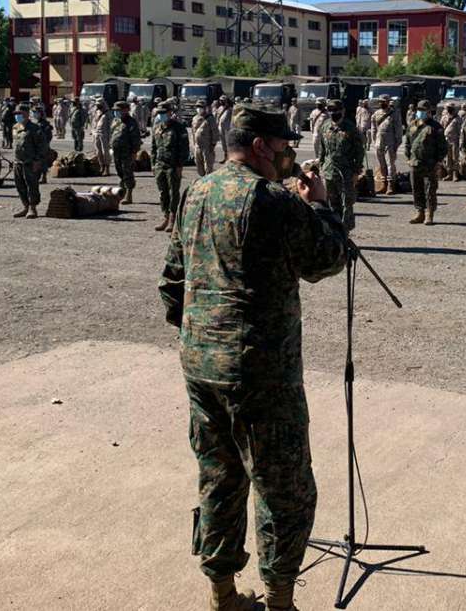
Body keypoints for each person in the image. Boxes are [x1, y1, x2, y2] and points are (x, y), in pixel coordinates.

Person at [159, 105, 346, 611]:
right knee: (283, 487)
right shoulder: (270, 200)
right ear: (261, 146)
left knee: (219, 478)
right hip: (259, 371)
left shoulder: (196, 190)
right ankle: (280, 600)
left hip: (201, 365)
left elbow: (172, 281)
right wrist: (323, 206)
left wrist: (203, 335)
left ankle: (221, 592)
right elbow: (327, 259)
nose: (290, 157)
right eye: (285, 148)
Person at [315, 98, 364, 232]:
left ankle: (345, 233)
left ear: (343, 111)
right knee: (331, 204)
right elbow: (322, 149)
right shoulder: (325, 126)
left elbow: (359, 152)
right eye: (330, 110)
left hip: (345, 173)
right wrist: (321, 166)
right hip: (329, 171)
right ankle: (335, 232)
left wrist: (356, 172)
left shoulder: (351, 128)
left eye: (336, 110)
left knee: (347, 204)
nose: (333, 113)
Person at [403, 99, 446, 225]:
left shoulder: (436, 127)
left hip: (430, 164)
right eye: (419, 110)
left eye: (423, 110)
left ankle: (429, 214)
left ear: (429, 111)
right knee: (416, 189)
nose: (420, 112)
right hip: (414, 163)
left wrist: (438, 162)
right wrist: (408, 158)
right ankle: (419, 212)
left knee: (430, 190)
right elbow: (407, 143)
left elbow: (442, 146)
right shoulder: (412, 125)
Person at [151, 99, 192, 232]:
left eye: (164, 113)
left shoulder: (179, 128)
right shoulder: (157, 127)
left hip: (173, 165)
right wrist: (153, 165)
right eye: (159, 113)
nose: (161, 115)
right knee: (163, 192)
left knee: (173, 193)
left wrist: (180, 165)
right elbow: (153, 148)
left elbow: (184, 149)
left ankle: (173, 218)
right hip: (159, 165)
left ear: (170, 113)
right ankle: (166, 216)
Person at [11, 101, 45, 219]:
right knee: (19, 185)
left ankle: (32, 208)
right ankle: (25, 206)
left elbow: (42, 146)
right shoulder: (15, 127)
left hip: (30, 162)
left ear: (26, 113)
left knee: (32, 185)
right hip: (18, 161)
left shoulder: (35, 128)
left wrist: (38, 160)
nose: (17, 115)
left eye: (20, 113)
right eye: (16, 113)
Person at [111, 100, 143, 205]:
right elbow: (113, 134)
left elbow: (136, 139)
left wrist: (134, 153)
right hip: (116, 152)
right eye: (115, 110)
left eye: (119, 110)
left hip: (127, 152)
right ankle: (121, 192)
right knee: (119, 171)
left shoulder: (131, 122)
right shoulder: (116, 121)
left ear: (125, 110)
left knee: (127, 172)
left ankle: (128, 195)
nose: (116, 112)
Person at [370, 95, 403, 195]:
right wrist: (374, 140)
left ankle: (390, 185)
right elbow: (373, 129)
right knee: (381, 164)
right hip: (379, 142)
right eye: (380, 101)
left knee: (390, 165)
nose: (381, 103)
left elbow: (398, 130)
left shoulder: (394, 114)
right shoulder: (376, 114)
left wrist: (397, 143)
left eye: (384, 101)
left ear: (388, 102)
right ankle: (383, 184)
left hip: (390, 142)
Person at [192, 101, 221, 177]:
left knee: (208, 167)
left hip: (207, 147)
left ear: (205, 108)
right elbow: (193, 132)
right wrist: (194, 144)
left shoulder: (210, 118)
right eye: (198, 107)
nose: (199, 109)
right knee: (199, 166)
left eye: (201, 107)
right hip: (197, 147)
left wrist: (213, 144)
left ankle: (208, 184)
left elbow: (215, 132)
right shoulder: (195, 118)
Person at [440, 102, 462, 181]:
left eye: (450, 108)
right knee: (447, 158)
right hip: (446, 140)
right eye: (448, 107)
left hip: (455, 140)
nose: (449, 109)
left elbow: (460, 131)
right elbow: (441, 128)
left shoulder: (457, 118)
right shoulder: (444, 117)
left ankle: (455, 175)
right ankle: (449, 174)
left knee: (455, 158)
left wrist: (461, 141)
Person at [92, 99, 112, 176]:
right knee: (98, 152)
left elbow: (110, 127)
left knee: (105, 152)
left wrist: (110, 138)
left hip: (105, 135)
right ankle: (101, 167)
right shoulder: (97, 112)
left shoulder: (108, 114)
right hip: (97, 134)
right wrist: (93, 133)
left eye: (99, 104)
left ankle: (107, 168)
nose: (97, 106)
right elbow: (94, 123)